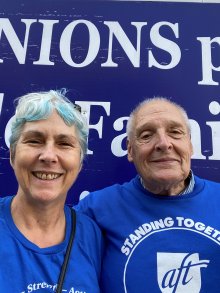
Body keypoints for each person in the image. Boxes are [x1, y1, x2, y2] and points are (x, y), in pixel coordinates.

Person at [76, 97, 220, 293]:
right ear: (130, 150)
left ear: (190, 145)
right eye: (146, 135)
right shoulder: (96, 208)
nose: (163, 143)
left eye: (175, 132)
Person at [0, 90, 102, 292]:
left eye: (64, 144)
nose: (48, 156)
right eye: (34, 141)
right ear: (12, 155)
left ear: (79, 164)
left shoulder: (92, 236)